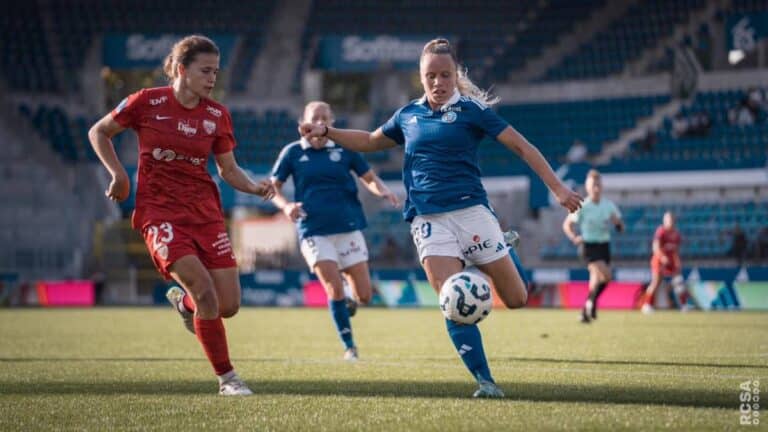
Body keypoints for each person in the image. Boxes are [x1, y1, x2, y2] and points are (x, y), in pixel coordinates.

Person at [299, 38, 582, 398]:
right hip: (428, 220)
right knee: (452, 302)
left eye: (444, 75)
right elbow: (370, 141)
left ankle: (502, 248)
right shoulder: (408, 115)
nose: (437, 82)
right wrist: (329, 133)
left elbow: (522, 147)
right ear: (421, 78)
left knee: (516, 298)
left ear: (454, 75)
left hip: (473, 213)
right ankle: (485, 381)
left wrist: (557, 188)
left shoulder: (472, 110)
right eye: (430, 76)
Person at [88, 35, 274, 396]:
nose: (211, 78)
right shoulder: (146, 101)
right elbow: (99, 131)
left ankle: (183, 303)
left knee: (228, 305)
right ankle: (228, 379)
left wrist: (254, 188)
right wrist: (119, 174)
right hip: (159, 214)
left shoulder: (217, 115)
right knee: (205, 292)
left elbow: (228, 169)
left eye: (215, 72)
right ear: (180, 69)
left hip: (205, 213)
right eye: (205, 71)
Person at [271, 101, 399, 361]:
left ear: (331, 122)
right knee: (333, 288)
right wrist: (286, 206)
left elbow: (370, 178)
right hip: (313, 229)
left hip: (348, 227)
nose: (319, 123)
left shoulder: (345, 148)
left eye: (324, 118)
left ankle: (350, 297)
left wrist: (383, 191)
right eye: (314, 118)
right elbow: (273, 187)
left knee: (364, 296)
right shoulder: (292, 152)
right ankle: (349, 347)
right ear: (303, 122)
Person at [562, 169, 624, 324]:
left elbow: (619, 224)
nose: (596, 187)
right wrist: (574, 236)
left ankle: (585, 311)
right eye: (593, 184)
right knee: (607, 276)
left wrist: (618, 225)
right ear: (588, 187)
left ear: (601, 186)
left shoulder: (608, 205)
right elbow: (567, 224)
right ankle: (592, 304)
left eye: (598, 184)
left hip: (604, 245)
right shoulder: (583, 205)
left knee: (596, 281)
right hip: (588, 247)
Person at [641, 211, 687, 314]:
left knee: (678, 281)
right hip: (659, 260)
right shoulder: (661, 231)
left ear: (674, 220)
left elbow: (676, 250)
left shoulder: (676, 234)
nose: (669, 222)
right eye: (667, 220)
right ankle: (646, 305)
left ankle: (684, 306)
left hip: (671, 260)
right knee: (655, 282)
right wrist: (662, 257)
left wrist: (677, 261)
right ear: (664, 220)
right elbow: (655, 247)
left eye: (671, 219)